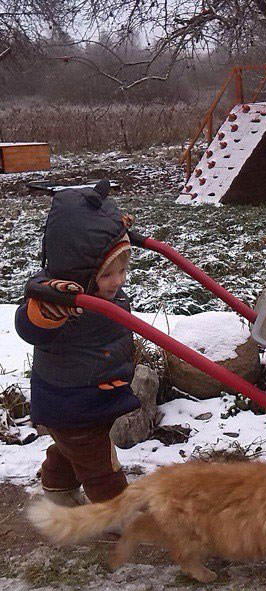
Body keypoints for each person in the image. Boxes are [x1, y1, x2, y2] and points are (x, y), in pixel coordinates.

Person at [15, 179, 140, 507]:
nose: (119, 281)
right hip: (72, 403)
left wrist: (114, 228)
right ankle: (118, 517)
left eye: (124, 270)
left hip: (91, 397)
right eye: (108, 274)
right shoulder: (56, 300)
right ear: (81, 270)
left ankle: (57, 487)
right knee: (101, 467)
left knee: (75, 449)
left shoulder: (97, 288)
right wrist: (45, 312)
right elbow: (29, 327)